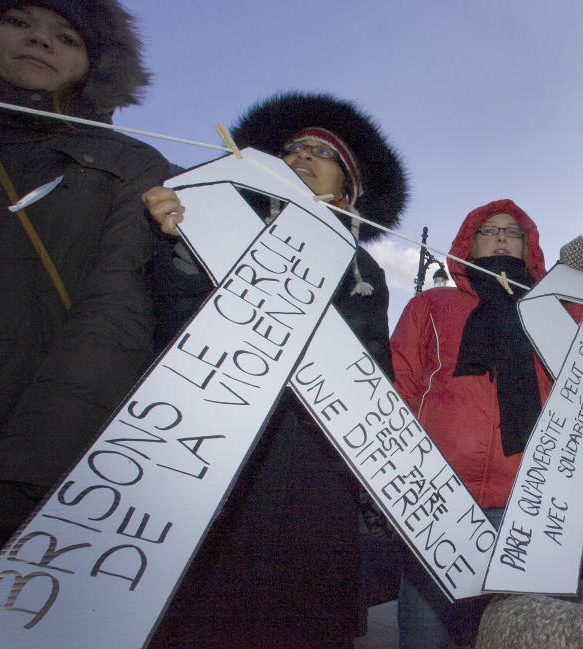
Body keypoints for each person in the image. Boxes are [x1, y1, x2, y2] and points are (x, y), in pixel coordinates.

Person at [142, 92, 408, 649]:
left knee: (304, 610)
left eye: (321, 152)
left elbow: (373, 371)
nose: (302, 156)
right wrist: (175, 243)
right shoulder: (211, 221)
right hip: (210, 442)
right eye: (292, 148)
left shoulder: (364, 271)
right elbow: (164, 318)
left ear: (347, 185)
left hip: (316, 459)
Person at [0, 0, 168, 574]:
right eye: (19, 22)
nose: (40, 41)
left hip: (13, 451)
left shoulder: (130, 164)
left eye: (66, 36)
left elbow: (114, 314)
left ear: (93, 64)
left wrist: (32, 477)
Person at [390, 199, 550, 649]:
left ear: (528, 247)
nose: (500, 237)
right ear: (469, 244)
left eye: (512, 232)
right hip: (438, 498)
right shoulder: (431, 304)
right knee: (427, 633)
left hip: (525, 503)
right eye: (488, 230)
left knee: (509, 635)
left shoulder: (553, 315)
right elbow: (399, 385)